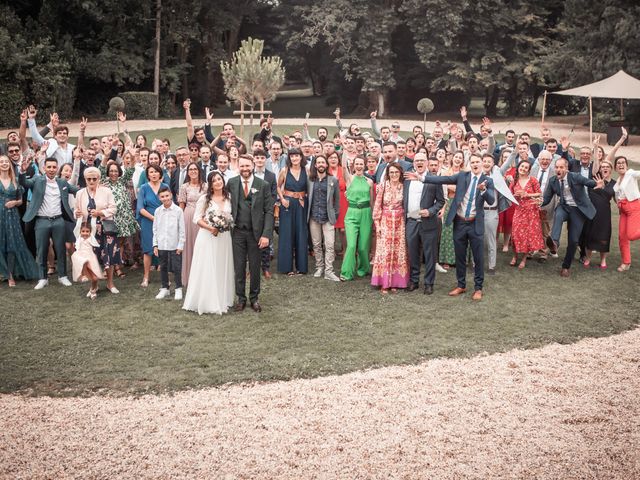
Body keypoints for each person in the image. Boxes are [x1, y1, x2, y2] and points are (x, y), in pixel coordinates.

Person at [407, 153, 495, 300]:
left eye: (477, 162)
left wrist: (483, 190)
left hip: (475, 224)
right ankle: (461, 285)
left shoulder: (488, 181)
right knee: (459, 256)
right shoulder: (462, 176)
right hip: (460, 222)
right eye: (472, 162)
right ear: (469, 163)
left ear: (481, 164)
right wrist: (422, 178)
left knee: (478, 257)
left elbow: (491, 200)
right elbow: (443, 179)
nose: (475, 164)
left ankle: (478, 288)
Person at [19, 156, 80, 289]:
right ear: (44, 168)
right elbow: (24, 183)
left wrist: (94, 186)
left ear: (57, 168)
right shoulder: (37, 180)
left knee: (61, 249)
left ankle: (62, 276)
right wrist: (22, 171)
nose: (52, 169)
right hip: (42, 221)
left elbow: (77, 190)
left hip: (59, 220)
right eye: (49, 167)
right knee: (41, 250)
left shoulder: (62, 182)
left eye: (54, 167)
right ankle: (43, 278)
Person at [182, 172, 236, 314]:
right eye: (214, 180)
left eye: (219, 179)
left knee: (221, 265)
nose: (218, 182)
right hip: (207, 237)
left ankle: (223, 298)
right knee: (207, 266)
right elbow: (197, 218)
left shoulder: (229, 198)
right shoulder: (204, 199)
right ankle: (206, 300)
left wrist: (224, 225)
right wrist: (211, 227)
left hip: (224, 238)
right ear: (210, 185)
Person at [228, 155, 274, 312]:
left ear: (253, 166)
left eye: (247, 166)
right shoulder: (232, 183)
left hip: (256, 233)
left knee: (255, 267)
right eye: (242, 166)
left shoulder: (263, 185)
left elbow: (269, 211)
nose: (245, 169)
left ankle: (254, 298)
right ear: (238, 167)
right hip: (237, 232)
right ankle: (240, 298)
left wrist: (266, 234)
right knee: (239, 267)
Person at [542, 157, 603, 277]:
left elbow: (589, 183)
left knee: (574, 240)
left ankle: (566, 267)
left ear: (566, 168)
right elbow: (547, 198)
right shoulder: (553, 180)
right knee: (558, 215)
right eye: (557, 167)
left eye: (561, 167)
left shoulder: (575, 176)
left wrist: (597, 183)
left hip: (578, 210)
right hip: (564, 207)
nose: (558, 169)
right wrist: (539, 202)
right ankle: (554, 243)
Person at [403, 154, 445, 294]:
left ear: (427, 163)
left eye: (422, 160)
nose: (419, 163)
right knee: (413, 253)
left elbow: (441, 201)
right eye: (416, 161)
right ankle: (414, 281)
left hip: (428, 223)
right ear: (413, 163)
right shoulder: (407, 179)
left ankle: (429, 283)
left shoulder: (434, 179)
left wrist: (431, 211)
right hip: (411, 222)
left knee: (429, 254)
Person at [74, 167, 119, 293]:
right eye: (89, 179)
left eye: (94, 178)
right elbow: (76, 209)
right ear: (85, 179)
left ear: (99, 179)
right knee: (90, 257)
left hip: (105, 229)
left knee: (108, 255)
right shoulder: (80, 193)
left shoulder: (106, 191)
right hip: (88, 231)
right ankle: (94, 284)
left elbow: (113, 208)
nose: (92, 181)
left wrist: (100, 212)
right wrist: (76, 213)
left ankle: (110, 284)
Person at [0, 154, 38, 285]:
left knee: (12, 244)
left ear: (9, 164)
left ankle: (10, 275)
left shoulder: (15, 180)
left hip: (12, 216)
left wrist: (14, 203)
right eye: (1, 162)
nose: (4, 164)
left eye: (6, 162)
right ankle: (3, 273)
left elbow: (21, 201)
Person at [371, 163, 409, 293]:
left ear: (400, 173)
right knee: (385, 251)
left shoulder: (404, 187)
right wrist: (377, 224)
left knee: (398, 251)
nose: (394, 175)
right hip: (385, 221)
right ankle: (384, 282)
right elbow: (377, 205)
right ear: (388, 174)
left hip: (400, 222)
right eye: (391, 172)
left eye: (396, 172)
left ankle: (396, 282)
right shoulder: (383, 186)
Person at [100, 158, 139, 278]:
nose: (113, 173)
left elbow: (130, 170)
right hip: (111, 217)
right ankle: (113, 267)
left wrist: (132, 157)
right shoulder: (105, 182)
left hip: (124, 216)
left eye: (116, 171)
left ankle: (117, 264)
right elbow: (101, 170)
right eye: (111, 171)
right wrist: (105, 157)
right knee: (111, 242)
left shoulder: (122, 181)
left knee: (121, 242)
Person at [340, 156, 374, 281]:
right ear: (353, 165)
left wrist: (374, 217)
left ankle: (363, 269)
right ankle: (346, 272)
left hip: (366, 213)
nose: (359, 166)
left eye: (361, 164)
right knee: (352, 245)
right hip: (352, 214)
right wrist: (345, 150)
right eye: (357, 164)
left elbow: (372, 201)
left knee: (363, 246)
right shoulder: (349, 178)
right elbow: (343, 166)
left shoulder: (369, 181)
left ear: (364, 165)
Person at [307, 155, 341, 281]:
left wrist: (335, 216)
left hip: (328, 218)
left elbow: (337, 201)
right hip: (314, 217)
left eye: (323, 162)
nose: (321, 164)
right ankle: (319, 267)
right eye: (318, 162)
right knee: (316, 244)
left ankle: (329, 270)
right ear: (315, 165)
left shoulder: (333, 180)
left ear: (326, 165)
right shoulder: (310, 180)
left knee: (330, 244)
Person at [277, 148, 308, 275]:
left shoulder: (306, 170)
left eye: (297, 156)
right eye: (292, 156)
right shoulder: (284, 170)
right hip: (287, 204)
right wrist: (282, 198)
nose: (294, 158)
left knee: (301, 234)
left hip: (301, 204)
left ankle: (301, 267)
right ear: (289, 158)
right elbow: (278, 186)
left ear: (301, 157)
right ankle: (287, 267)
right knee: (286, 234)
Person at [136, 164, 168, 287]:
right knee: (148, 249)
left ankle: (165, 278)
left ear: (160, 173)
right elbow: (140, 208)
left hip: (164, 221)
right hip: (148, 222)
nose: (153, 174)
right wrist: (155, 218)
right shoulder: (143, 188)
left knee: (164, 248)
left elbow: (169, 203)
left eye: (156, 172)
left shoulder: (165, 186)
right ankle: (146, 277)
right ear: (147, 175)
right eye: (151, 172)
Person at [509, 160, 543, 269]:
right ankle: (514, 256)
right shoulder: (514, 181)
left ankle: (523, 259)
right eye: (522, 166)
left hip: (531, 211)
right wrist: (515, 195)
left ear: (529, 170)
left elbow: (539, 193)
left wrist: (527, 194)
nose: (523, 169)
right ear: (518, 167)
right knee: (515, 234)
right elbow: (510, 196)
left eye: (526, 167)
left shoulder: (533, 180)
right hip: (519, 210)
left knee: (527, 236)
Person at [153, 186, 186, 300]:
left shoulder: (178, 211)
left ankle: (178, 288)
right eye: (162, 196)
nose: (165, 198)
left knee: (177, 267)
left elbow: (182, 229)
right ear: (159, 198)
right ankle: (165, 288)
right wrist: (155, 245)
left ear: (171, 195)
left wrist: (180, 245)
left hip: (175, 245)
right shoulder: (158, 211)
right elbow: (155, 229)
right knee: (163, 267)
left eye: (167, 195)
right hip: (162, 244)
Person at [178, 162, 206, 286]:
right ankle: (189, 277)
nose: (193, 171)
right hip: (188, 217)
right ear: (188, 172)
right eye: (191, 169)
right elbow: (181, 206)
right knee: (189, 246)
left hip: (202, 217)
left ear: (199, 171)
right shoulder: (184, 187)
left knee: (201, 247)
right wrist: (179, 222)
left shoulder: (205, 186)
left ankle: (202, 277)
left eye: (195, 169)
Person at [583, 160, 615, 269]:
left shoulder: (614, 184)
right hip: (592, 212)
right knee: (589, 235)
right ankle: (588, 258)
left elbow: (617, 199)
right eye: (603, 167)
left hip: (605, 214)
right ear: (600, 169)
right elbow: (596, 163)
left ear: (611, 169)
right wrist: (596, 147)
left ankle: (603, 260)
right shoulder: (595, 178)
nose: (605, 168)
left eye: (607, 167)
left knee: (604, 236)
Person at [613, 155, 640, 272]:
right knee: (622, 237)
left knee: (631, 235)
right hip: (623, 210)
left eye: (623, 162)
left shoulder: (630, 173)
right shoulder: (617, 182)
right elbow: (618, 197)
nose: (621, 164)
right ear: (615, 168)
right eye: (618, 163)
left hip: (634, 207)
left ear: (627, 165)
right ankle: (626, 262)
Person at [70, 220, 102, 299]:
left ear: (90, 232)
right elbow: (77, 227)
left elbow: (94, 227)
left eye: (87, 231)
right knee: (83, 261)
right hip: (80, 257)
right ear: (80, 231)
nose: (85, 233)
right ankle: (83, 275)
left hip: (90, 258)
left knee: (95, 278)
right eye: (83, 231)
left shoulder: (91, 237)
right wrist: (80, 217)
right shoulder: (78, 237)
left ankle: (93, 289)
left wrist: (94, 218)